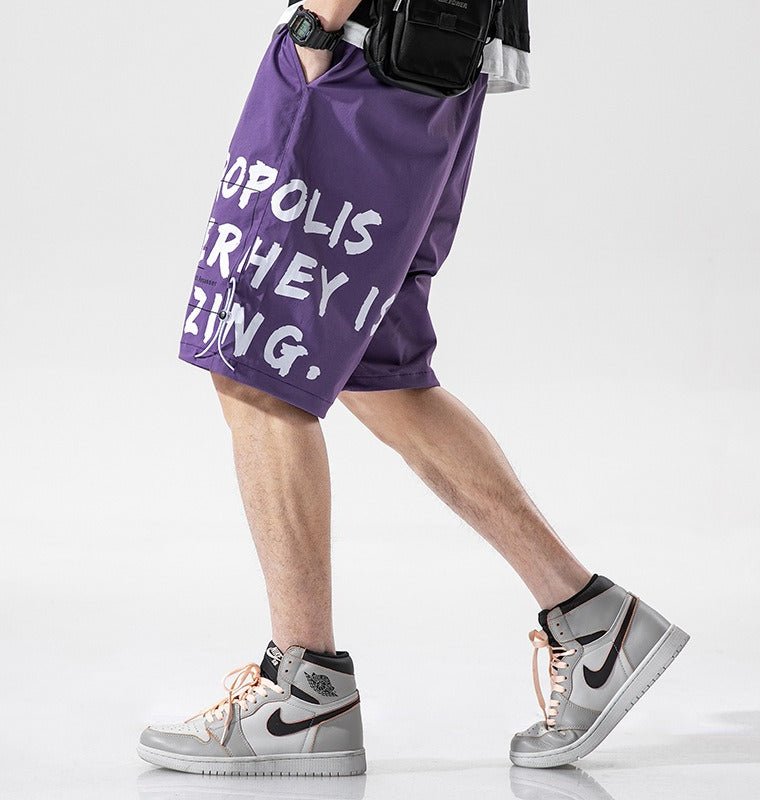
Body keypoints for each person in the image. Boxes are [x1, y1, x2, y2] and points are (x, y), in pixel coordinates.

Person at [138, 0, 688, 776]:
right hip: (427, 66)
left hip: (356, 58)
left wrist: (317, 24)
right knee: (377, 373)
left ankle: (305, 691)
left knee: (257, 369)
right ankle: (595, 621)